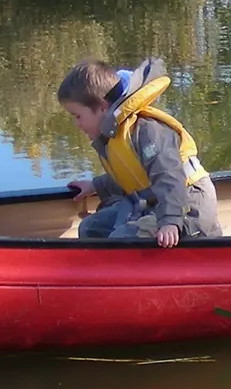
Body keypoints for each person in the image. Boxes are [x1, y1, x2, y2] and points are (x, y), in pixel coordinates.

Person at [58, 57, 222, 247]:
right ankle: (100, 272)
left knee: (122, 240)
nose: (77, 124)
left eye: (78, 116)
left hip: (188, 204)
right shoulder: (116, 134)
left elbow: (169, 176)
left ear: (102, 108)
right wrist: (95, 186)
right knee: (91, 228)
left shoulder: (147, 130)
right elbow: (134, 176)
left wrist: (169, 220)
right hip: (156, 202)